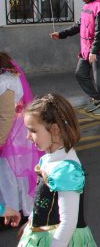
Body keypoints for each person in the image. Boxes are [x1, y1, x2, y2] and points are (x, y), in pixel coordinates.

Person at [18, 94, 97, 247]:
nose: (28, 137)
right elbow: (43, 201)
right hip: (43, 232)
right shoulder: (51, 157)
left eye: (33, 131)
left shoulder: (66, 171)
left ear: (55, 130)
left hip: (60, 239)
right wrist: (30, 222)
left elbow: (68, 223)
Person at [0, 53, 40, 226]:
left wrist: (0, 141)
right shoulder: (8, 78)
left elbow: (5, 116)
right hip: (14, 131)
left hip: (11, 135)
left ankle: (16, 210)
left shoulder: (5, 82)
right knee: (14, 174)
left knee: (10, 174)